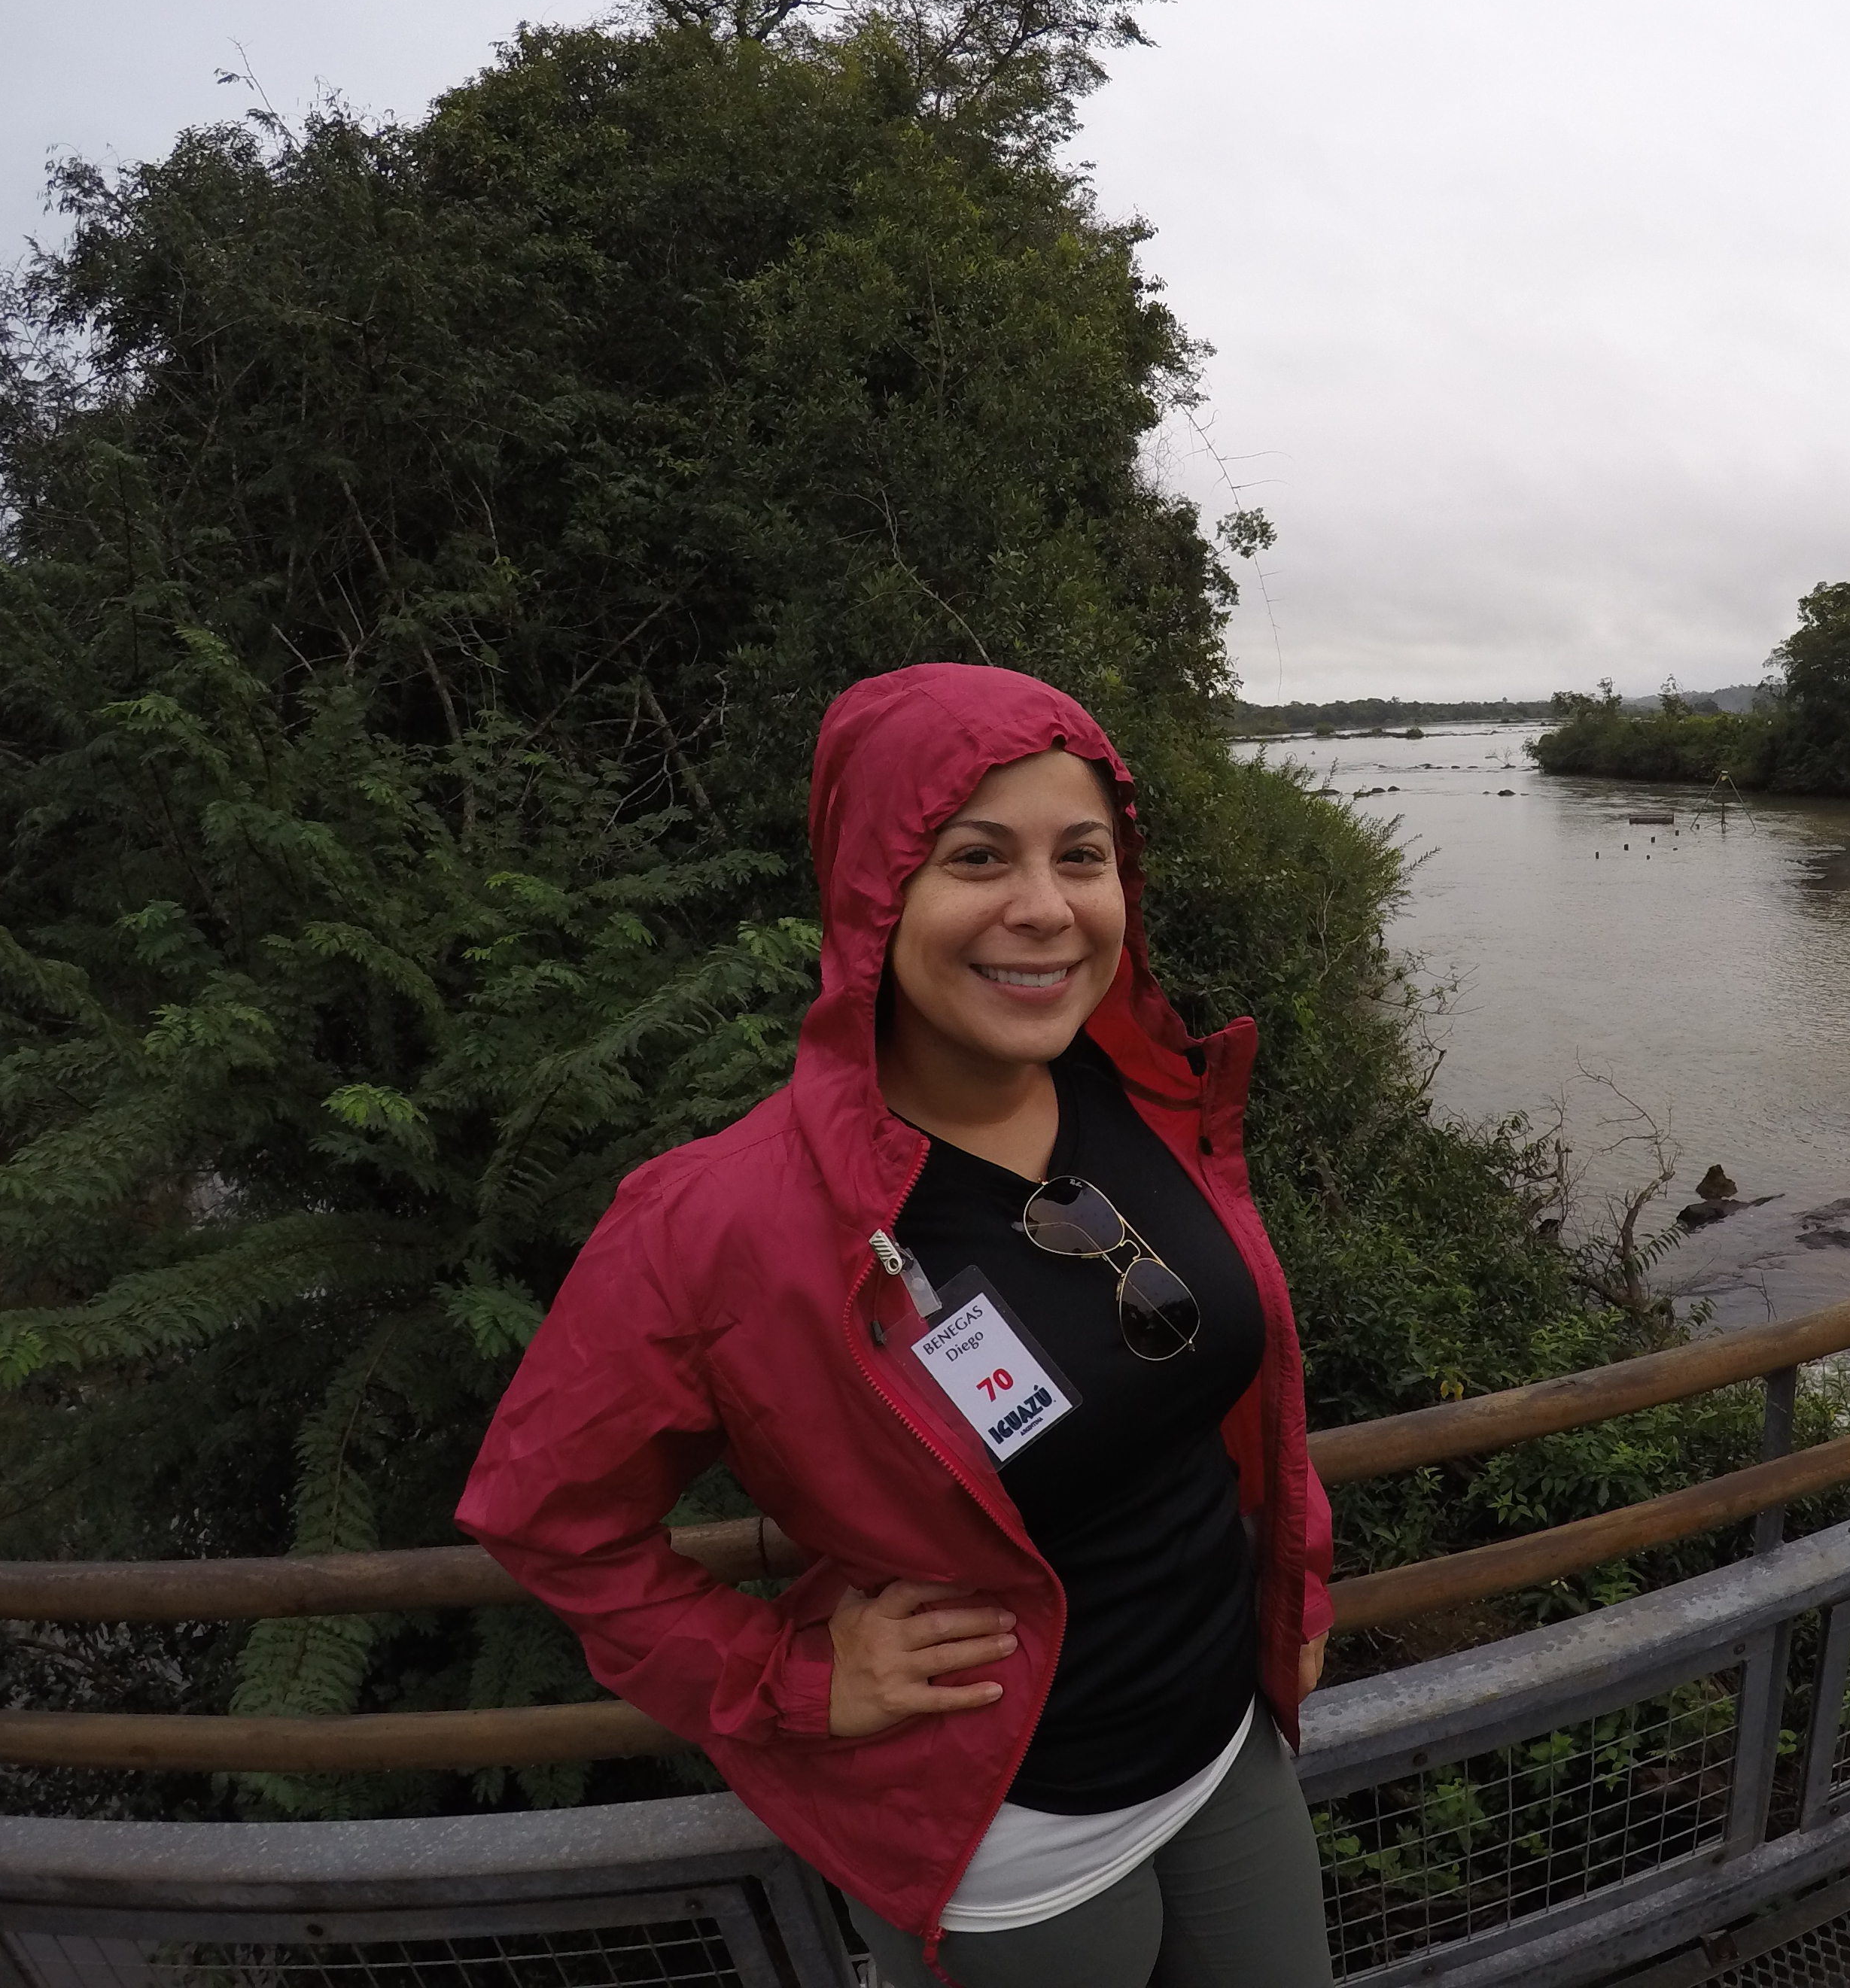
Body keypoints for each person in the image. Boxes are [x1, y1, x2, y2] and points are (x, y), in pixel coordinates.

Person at [459, 665, 1337, 1987]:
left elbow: (1241, 1390)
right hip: (1016, 1838)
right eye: (977, 857)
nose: (1044, 908)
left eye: (1081, 856)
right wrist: (796, 1678)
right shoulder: (719, 1223)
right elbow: (546, 1517)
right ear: (874, 893)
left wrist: (1297, 1585)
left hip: (1230, 1747)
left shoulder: (1150, 1095)